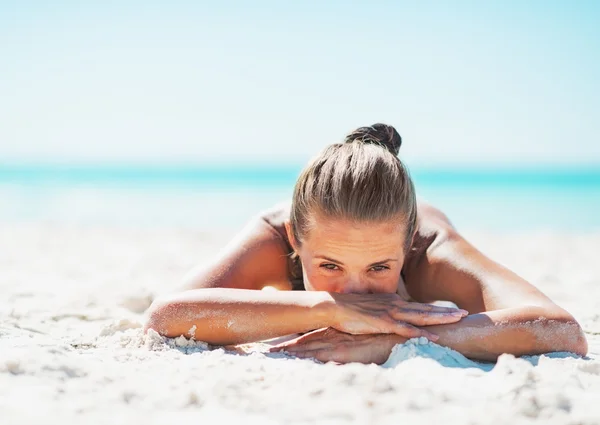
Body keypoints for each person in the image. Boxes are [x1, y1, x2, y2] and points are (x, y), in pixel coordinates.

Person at [144, 123, 588, 365]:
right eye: (331, 266)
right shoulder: (274, 235)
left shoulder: (430, 248)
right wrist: (327, 309)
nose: (355, 290)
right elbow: (165, 317)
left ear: (407, 243)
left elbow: (561, 330)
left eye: (379, 268)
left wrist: (394, 341)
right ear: (297, 239)